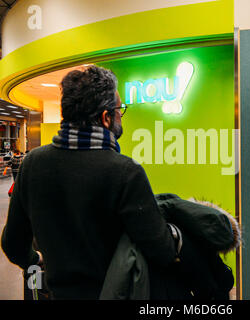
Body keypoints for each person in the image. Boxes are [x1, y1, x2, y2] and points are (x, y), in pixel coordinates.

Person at [1, 66, 178, 300]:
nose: (120, 116)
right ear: (105, 118)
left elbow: (12, 243)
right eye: (119, 111)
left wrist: (37, 260)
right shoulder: (125, 172)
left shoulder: (33, 163)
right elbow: (161, 250)